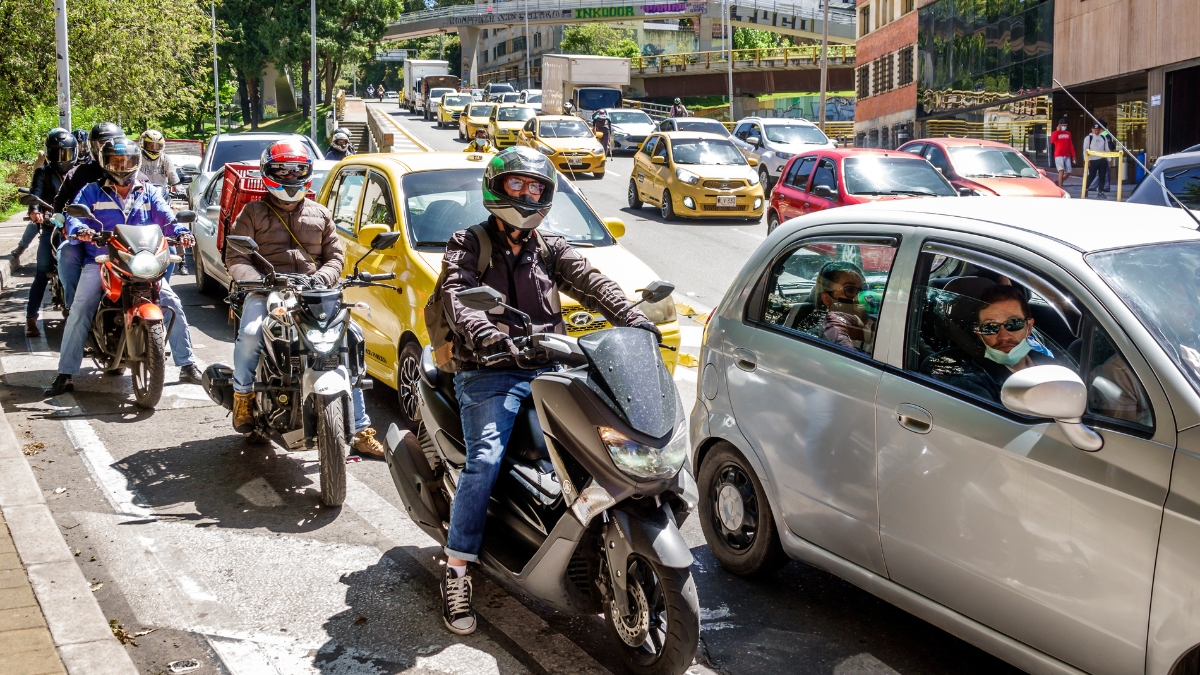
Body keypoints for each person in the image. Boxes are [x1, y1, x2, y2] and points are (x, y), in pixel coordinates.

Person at [435, 147, 659, 635]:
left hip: (551, 367)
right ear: (496, 188)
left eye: (536, 186)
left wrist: (635, 320)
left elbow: (594, 282)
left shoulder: (550, 247)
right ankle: (457, 569)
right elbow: (456, 295)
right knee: (485, 460)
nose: (527, 194)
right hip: (490, 370)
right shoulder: (468, 243)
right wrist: (488, 336)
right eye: (517, 184)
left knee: (603, 443)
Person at [224, 140, 385, 458]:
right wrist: (259, 280)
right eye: (282, 171)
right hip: (267, 292)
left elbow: (335, 257)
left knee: (349, 339)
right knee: (252, 332)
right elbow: (236, 257)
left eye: (297, 171)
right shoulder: (252, 212)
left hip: (315, 295)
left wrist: (322, 278)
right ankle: (242, 396)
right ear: (269, 173)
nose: (290, 177)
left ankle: (361, 427)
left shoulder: (320, 213)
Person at [43, 137, 202, 397]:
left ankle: (187, 365)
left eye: (126, 161)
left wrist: (181, 232)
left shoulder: (149, 191)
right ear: (105, 163)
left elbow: (167, 218)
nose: (121, 166)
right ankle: (66, 373)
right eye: (115, 161)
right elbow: (72, 217)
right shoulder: (91, 191)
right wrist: (80, 229)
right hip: (102, 261)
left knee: (172, 302)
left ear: (136, 163)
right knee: (80, 310)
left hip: (141, 261)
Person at [921, 284, 1061, 401]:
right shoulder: (970, 380)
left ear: (1029, 327)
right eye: (990, 327)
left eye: (1013, 323)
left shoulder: (1051, 363)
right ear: (979, 333)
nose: (1003, 336)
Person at [54, 121, 123, 309]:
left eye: (110, 143)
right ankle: (72, 305)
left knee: (169, 253)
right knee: (67, 252)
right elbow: (61, 201)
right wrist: (63, 222)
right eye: (101, 144)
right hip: (87, 236)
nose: (105, 148)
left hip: (125, 239)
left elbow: (154, 206)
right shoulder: (79, 173)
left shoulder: (136, 175)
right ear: (92, 146)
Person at [22, 129, 77, 336]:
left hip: (75, 227)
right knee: (42, 270)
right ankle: (31, 318)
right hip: (51, 227)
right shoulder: (43, 173)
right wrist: (35, 211)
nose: (61, 158)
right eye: (56, 153)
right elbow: (35, 193)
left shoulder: (78, 172)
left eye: (66, 153)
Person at [794, 261, 873, 352]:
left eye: (864, 291)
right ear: (827, 299)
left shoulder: (872, 320)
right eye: (850, 290)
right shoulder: (820, 333)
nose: (860, 297)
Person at [1083, 123, 1110, 199]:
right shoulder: (1088, 138)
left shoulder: (1103, 138)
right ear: (1092, 129)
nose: (1096, 131)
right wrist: (1086, 160)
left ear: (1100, 130)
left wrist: (1109, 159)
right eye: (1095, 130)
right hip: (1092, 160)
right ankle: (1085, 189)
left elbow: (1107, 149)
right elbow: (1085, 150)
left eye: (1098, 130)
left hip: (1102, 159)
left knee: (1102, 176)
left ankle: (1101, 192)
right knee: (1092, 175)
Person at [1050, 118, 1075, 188]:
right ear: (1059, 125)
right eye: (1062, 125)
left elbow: (1070, 145)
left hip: (1067, 155)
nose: (1064, 126)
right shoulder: (1055, 133)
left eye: (1065, 125)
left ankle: (1058, 182)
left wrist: (1074, 156)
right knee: (1061, 171)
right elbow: (1052, 140)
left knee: (1068, 172)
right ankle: (1061, 187)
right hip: (1058, 155)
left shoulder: (1068, 133)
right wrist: (1057, 131)